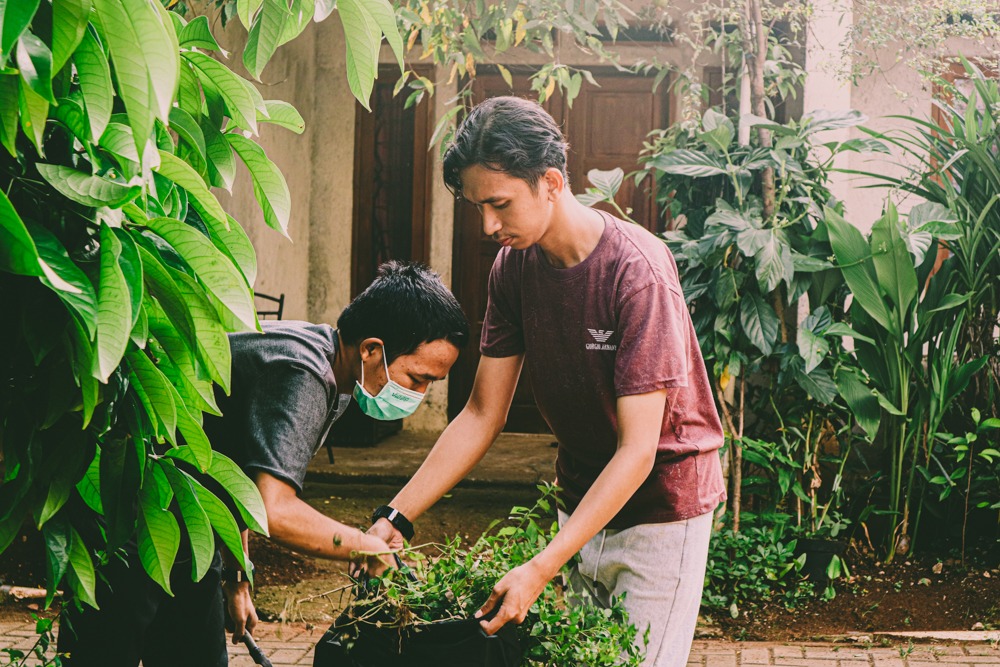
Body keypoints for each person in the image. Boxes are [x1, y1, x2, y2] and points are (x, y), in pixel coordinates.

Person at [368, 97, 726, 667]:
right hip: (581, 495)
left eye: (500, 204)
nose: (488, 225)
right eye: (478, 208)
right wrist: (397, 515)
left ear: (551, 182)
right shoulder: (513, 269)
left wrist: (541, 566)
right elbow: (483, 413)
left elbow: (638, 452)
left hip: (661, 508)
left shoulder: (637, 272)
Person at [58, 261, 469, 667]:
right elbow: (274, 508)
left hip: (192, 524)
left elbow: (243, 477)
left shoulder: (332, 368)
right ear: (372, 350)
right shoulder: (303, 374)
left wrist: (238, 580)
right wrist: (366, 545)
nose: (421, 392)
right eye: (417, 378)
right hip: (125, 518)